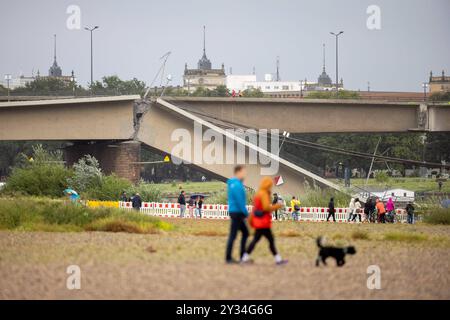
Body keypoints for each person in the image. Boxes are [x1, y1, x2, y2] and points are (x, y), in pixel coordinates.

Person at [241, 177, 288, 265]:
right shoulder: (264, 194)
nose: (270, 187)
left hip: (259, 221)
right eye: (270, 185)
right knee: (269, 240)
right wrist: (277, 206)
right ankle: (278, 260)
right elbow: (266, 207)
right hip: (263, 222)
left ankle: (245, 258)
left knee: (257, 240)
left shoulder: (258, 193)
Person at [225, 165, 249, 264]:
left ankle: (237, 256)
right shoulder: (237, 184)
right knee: (235, 234)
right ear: (238, 172)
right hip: (237, 212)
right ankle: (231, 258)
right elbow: (240, 201)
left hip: (234, 212)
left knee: (242, 233)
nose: (245, 174)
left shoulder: (233, 183)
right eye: (244, 172)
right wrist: (246, 213)